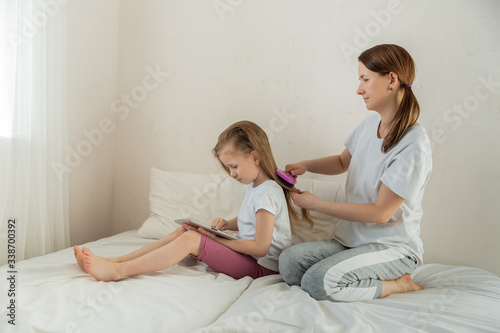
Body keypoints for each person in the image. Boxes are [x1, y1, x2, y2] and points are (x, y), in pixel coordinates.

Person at [279, 44, 432, 302]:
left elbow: (380, 213)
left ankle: (400, 285)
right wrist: (306, 165)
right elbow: (341, 162)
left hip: (391, 248)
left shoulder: (413, 145)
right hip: (352, 241)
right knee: (290, 263)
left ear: (391, 80)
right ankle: (359, 272)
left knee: (318, 282)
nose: (359, 89)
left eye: (365, 79)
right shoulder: (370, 124)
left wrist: (317, 205)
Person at [74, 120, 311, 282]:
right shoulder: (256, 187)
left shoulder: (268, 191)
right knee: (185, 230)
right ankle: (114, 260)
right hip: (252, 259)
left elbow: (260, 247)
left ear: (255, 157)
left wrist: (215, 238)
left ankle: (118, 271)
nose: (232, 174)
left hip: (263, 268)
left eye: (234, 166)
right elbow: (253, 219)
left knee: (192, 239)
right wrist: (227, 225)